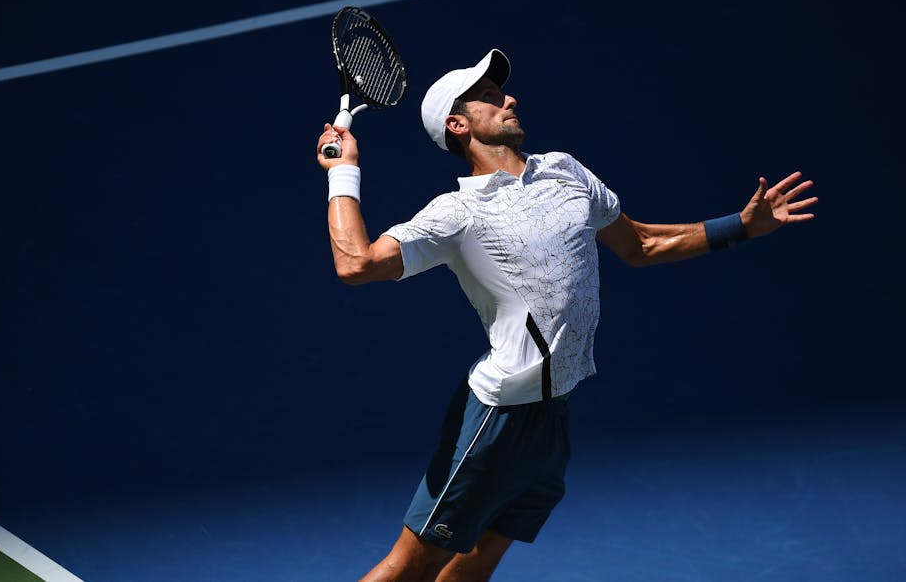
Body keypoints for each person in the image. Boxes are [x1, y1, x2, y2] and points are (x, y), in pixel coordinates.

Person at [315, 49, 816, 582]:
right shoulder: (457, 213)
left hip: (554, 415)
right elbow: (356, 263)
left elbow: (640, 243)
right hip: (496, 420)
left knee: (477, 560)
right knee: (409, 569)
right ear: (458, 125)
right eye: (488, 97)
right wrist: (344, 172)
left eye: (502, 92)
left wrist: (739, 225)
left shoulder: (564, 170)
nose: (509, 99)